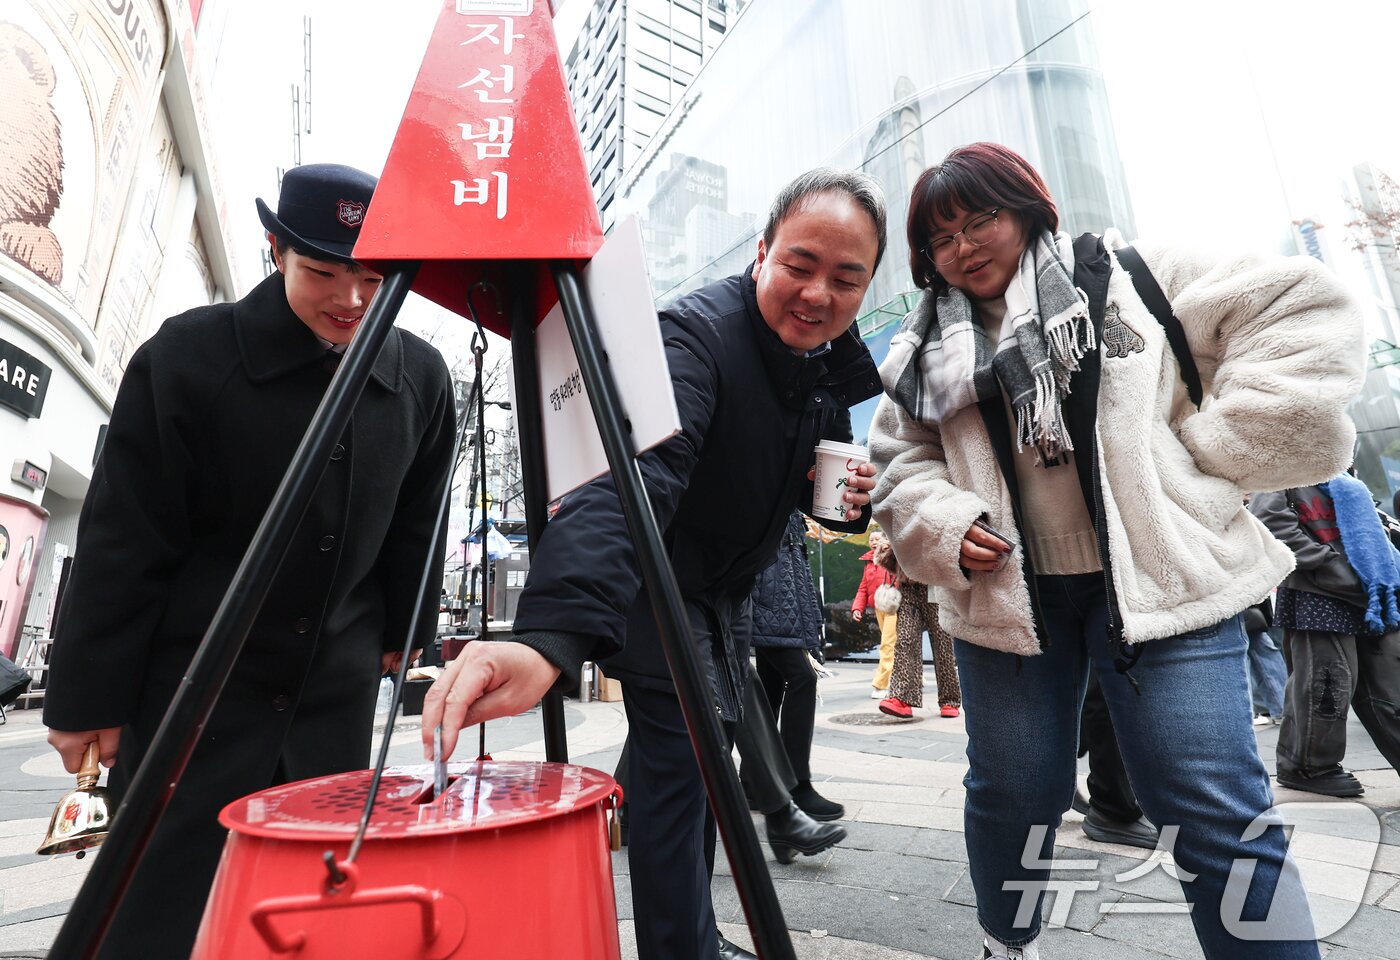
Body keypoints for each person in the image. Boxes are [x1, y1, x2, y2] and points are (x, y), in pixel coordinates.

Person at [870, 142, 1364, 960]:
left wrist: (1210, 455)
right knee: (1013, 795)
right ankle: (1009, 940)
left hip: (1167, 581)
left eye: (980, 217)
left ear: (1028, 205)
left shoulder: (1137, 274)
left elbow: (1304, 310)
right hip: (1009, 601)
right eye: (940, 237)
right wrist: (947, 521)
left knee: (1214, 806)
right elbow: (899, 465)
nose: (962, 246)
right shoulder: (921, 351)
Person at [422, 168, 886, 960]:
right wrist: (549, 637)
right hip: (656, 581)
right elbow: (637, 479)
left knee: (697, 748)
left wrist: (852, 500)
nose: (818, 295)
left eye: (847, 280)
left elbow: (810, 488)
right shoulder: (697, 337)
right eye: (800, 267)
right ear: (763, 252)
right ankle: (682, 947)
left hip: (719, 587)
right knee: (687, 756)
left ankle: (687, 930)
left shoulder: (822, 367)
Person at [43, 163, 456, 960]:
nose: (351, 300)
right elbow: (125, 538)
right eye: (324, 273)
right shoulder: (189, 359)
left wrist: (413, 635)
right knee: (158, 906)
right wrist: (87, 697)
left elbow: (420, 526)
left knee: (304, 911)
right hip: (191, 693)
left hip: (330, 698)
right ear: (276, 250)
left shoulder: (420, 379)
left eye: (373, 278)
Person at [1249, 477, 1400, 795]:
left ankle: (1309, 765)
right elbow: (1269, 525)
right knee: (1327, 682)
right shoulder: (1285, 473)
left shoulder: (1345, 476)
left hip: (1371, 593)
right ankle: (1307, 766)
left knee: (1388, 683)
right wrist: (1328, 563)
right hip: (1319, 594)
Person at [745, 510, 845, 821]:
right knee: (802, 678)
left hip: (775, 598)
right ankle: (796, 784)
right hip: (765, 595)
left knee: (769, 690)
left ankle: (751, 783)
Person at [852, 529, 899, 698]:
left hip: (894, 607)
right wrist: (858, 608)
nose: (873, 542)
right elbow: (863, 588)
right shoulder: (869, 563)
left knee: (887, 645)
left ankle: (881, 684)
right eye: (871, 539)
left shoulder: (893, 557)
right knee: (893, 645)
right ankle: (916, 676)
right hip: (879, 608)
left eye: (877, 539)